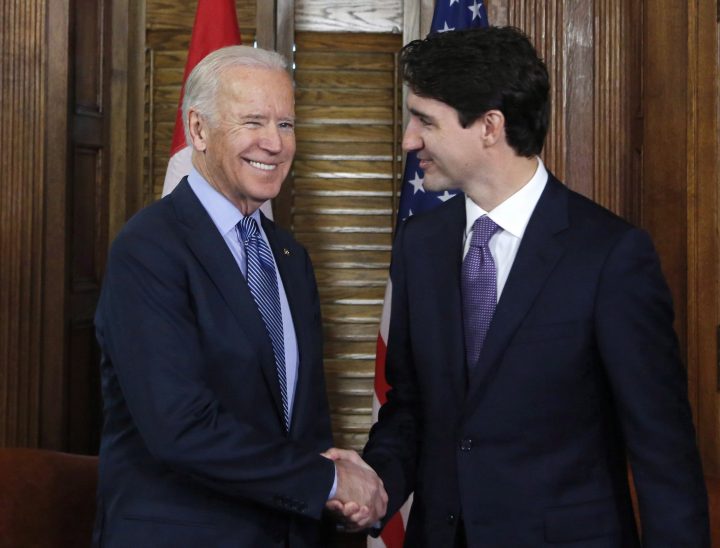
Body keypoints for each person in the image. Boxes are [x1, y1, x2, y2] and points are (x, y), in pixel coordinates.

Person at [329, 26, 710, 546]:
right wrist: (374, 488)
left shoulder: (610, 255)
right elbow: (412, 409)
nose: (409, 139)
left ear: (489, 126)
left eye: (425, 120)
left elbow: (662, 452)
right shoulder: (420, 245)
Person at [93, 45, 385, 547]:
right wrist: (330, 482)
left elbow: (303, 426)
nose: (273, 143)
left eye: (286, 125)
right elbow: (180, 428)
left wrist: (339, 500)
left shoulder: (289, 256)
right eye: (253, 121)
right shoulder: (149, 248)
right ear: (199, 130)